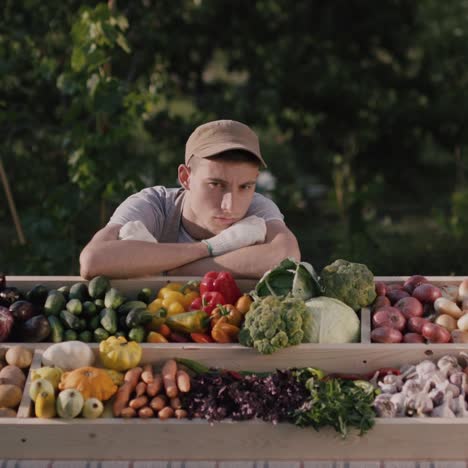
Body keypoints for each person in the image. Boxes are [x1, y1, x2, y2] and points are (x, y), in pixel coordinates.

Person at [79, 119, 300, 279]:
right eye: (216, 185)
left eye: (245, 186)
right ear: (186, 177)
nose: (230, 205)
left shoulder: (258, 207)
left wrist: (166, 272)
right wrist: (210, 247)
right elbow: (93, 261)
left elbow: (286, 256)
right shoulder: (153, 204)